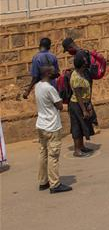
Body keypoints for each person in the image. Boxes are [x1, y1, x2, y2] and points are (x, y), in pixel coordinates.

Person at [34, 64, 72, 193]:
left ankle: (43, 181)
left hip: (41, 125)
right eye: (54, 71)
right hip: (52, 126)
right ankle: (55, 184)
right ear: (48, 74)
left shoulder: (38, 86)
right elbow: (60, 106)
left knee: (43, 153)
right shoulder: (50, 88)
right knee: (53, 155)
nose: (56, 72)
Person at [69, 55, 95, 157]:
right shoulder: (76, 77)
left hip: (83, 103)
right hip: (77, 104)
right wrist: (84, 109)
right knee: (77, 126)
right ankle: (77, 150)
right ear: (81, 64)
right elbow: (78, 95)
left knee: (82, 125)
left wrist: (88, 104)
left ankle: (81, 146)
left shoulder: (82, 73)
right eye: (84, 62)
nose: (86, 63)